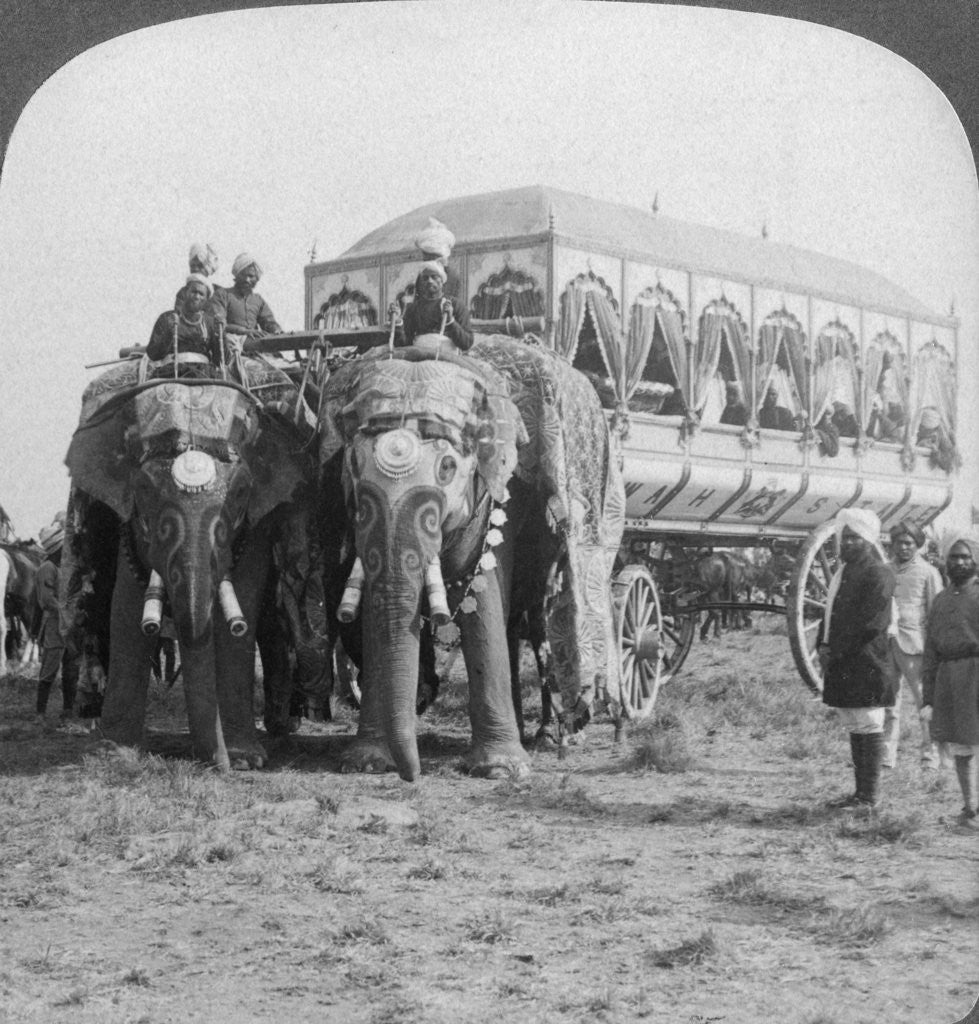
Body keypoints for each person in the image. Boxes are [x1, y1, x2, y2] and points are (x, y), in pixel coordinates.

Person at [816, 508, 897, 810]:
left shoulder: (879, 573)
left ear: (867, 540)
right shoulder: (844, 573)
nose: (847, 543)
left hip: (867, 660)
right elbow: (830, 614)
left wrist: (835, 649)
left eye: (854, 538)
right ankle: (860, 794)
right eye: (844, 538)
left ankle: (871, 796)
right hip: (845, 659)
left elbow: (871, 624)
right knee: (854, 724)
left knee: (868, 723)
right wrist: (822, 645)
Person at [921, 534, 979, 829]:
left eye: (964, 557)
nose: (958, 562)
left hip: (976, 674)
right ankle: (971, 811)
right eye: (953, 557)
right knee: (962, 747)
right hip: (950, 678)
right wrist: (928, 695)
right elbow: (930, 649)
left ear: (974, 560)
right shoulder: (941, 600)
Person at [883, 519, 944, 769]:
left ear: (917, 545)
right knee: (889, 704)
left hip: (916, 645)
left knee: (924, 703)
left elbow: (936, 612)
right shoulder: (885, 570)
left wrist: (934, 649)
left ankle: (930, 756)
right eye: (899, 543)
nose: (904, 548)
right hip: (888, 643)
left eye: (909, 543)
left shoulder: (928, 572)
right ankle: (887, 756)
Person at [34, 520, 80, 724]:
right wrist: (66, 609)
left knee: (71, 671)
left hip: (68, 627)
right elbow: (45, 600)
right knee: (49, 671)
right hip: (54, 626)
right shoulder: (47, 568)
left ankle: (68, 711)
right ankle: (40, 714)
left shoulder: (65, 567)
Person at [396, 262, 473, 353]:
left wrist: (450, 321)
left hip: (447, 359)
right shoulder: (413, 308)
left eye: (434, 277)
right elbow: (404, 344)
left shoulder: (456, 305)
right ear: (421, 283)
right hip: (418, 358)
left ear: (442, 281)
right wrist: (397, 322)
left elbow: (466, 343)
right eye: (425, 278)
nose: (430, 281)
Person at [147, 274, 222, 367]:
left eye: (201, 294)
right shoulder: (167, 318)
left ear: (206, 299)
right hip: (170, 372)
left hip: (202, 372)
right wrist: (168, 335)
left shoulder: (210, 323)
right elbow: (152, 354)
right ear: (185, 292)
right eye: (194, 292)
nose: (197, 297)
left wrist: (220, 336)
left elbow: (221, 360)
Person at [209, 253, 282, 340]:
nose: (247, 280)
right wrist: (243, 331)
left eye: (251, 276)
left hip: (255, 343)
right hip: (230, 344)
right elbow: (218, 324)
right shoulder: (222, 295)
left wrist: (276, 329)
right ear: (237, 275)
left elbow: (268, 322)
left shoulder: (258, 300)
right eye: (243, 275)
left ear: (256, 279)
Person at [414, 216, 461, 300]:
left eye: (429, 257)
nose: (425, 260)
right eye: (425, 257)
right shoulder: (422, 276)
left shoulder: (451, 275)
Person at [174, 242, 219, 309]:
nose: (195, 269)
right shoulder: (183, 292)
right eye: (192, 266)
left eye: (200, 266)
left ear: (208, 268)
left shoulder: (219, 292)